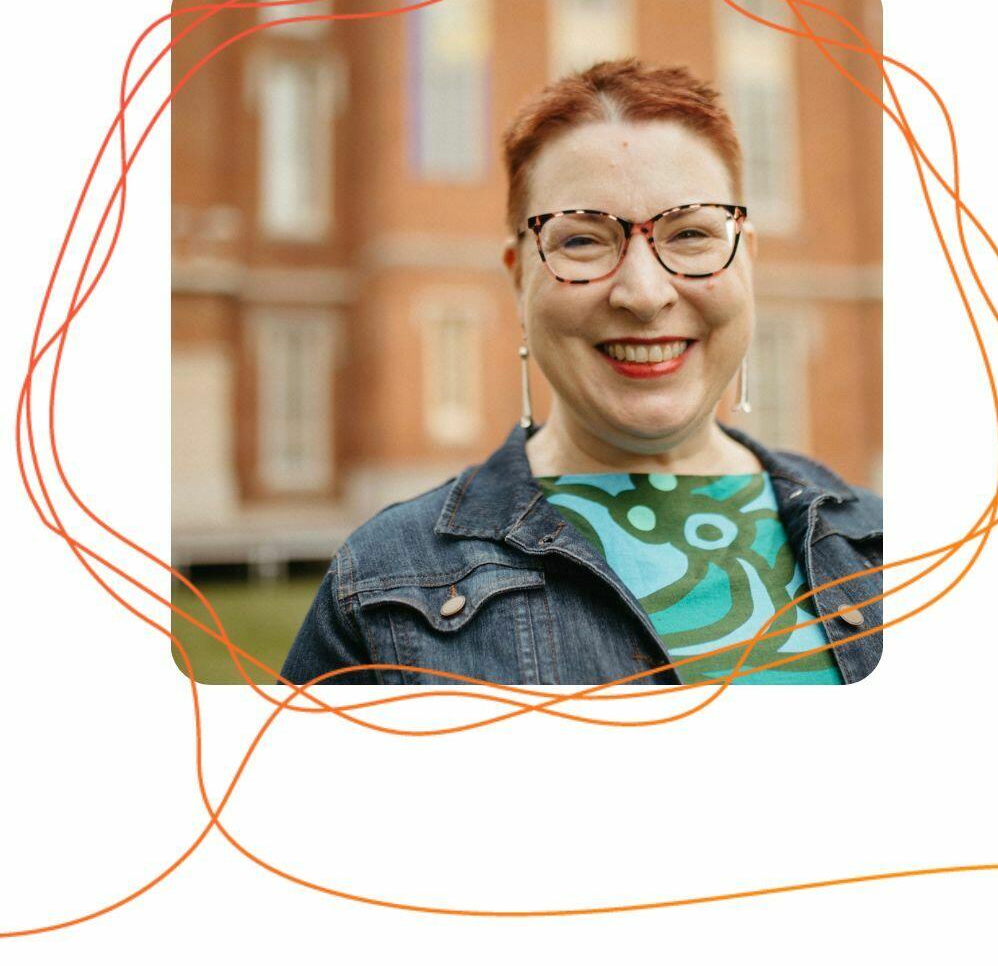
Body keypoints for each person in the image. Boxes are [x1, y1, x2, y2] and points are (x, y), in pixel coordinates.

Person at [281, 58, 882, 688]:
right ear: (519, 277)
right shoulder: (379, 587)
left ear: (746, 260)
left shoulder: (890, 551)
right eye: (583, 241)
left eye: (691, 233)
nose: (645, 294)